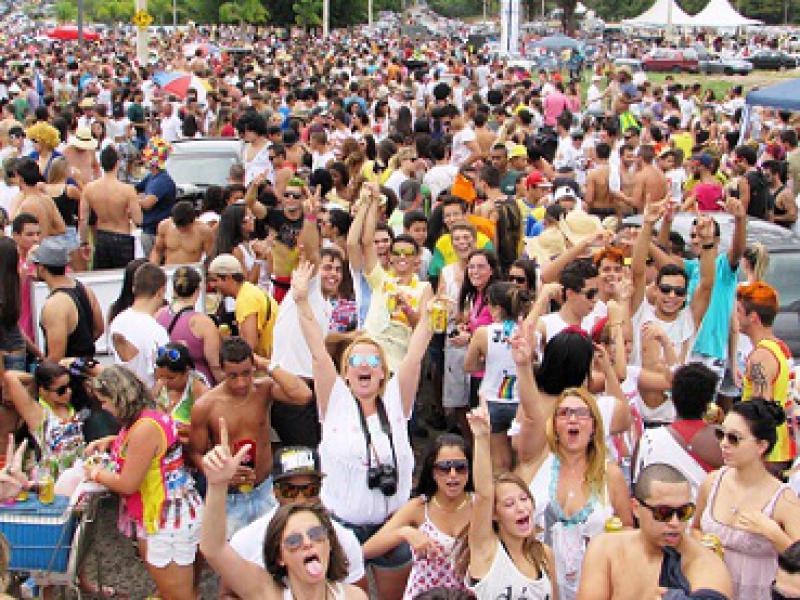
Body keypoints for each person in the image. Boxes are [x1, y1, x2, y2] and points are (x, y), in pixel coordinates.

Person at [293, 259, 433, 600]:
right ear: (346, 371)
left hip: (393, 526)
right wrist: (301, 300)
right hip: (343, 528)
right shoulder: (336, 400)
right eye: (357, 361)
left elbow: (415, 354)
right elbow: (318, 353)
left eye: (374, 361)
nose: (365, 367)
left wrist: (431, 311)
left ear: (383, 372)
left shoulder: (396, 399)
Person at [512, 328, 632, 600]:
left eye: (581, 414)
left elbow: (627, 529)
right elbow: (531, 416)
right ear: (552, 426)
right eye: (564, 414)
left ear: (595, 425)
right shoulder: (538, 458)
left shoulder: (610, 475)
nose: (573, 420)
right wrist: (523, 366)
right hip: (538, 587)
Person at [199, 419, 367, 599]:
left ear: (330, 544)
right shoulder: (267, 592)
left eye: (316, 534)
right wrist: (217, 484)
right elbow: (213, 549)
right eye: (293, 540)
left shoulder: (354, 596)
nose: (307, 543)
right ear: (280, 557)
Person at [83, 365, 202, 600]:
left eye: (104, 401)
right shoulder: (149, 414)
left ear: (118, 398)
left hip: (166, 517)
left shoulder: (144, 429)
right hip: (168, 511)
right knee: (173, 591)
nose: (103, 408)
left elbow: (128, 484)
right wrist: (111, 440)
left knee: (178, 595)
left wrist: (95, 473)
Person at [189, 336, 312, 536]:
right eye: (233, 376)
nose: (241, 383)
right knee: (231, 554)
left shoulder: (263, 390)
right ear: (222, 371)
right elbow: (195, 453)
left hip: (265, 489)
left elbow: (303, 395)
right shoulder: (206, 406)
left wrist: (267, 364)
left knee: (274, 549)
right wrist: (220, 472)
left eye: (246, 373)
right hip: (229, 497)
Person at [694, 398, 800, 600]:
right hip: (714, 588)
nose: (724, 444)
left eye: (734, 438)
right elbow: (695, 528)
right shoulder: (712, 482)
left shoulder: (784, 500)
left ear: (761, 446)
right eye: (721, 434)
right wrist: (705, 545)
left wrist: (773, 533)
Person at [578, 463, 732, 600]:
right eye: (663, 512)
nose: (675, 523)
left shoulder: (706, 563)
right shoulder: (606, 548)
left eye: (683, 512)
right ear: (636, 508)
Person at [362, 434, 473, 599]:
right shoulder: (419, 507)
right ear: (433, 472)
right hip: (424, 594)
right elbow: (367, 550)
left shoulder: (481, 506)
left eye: (460, 467)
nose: (452, 474)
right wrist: (404, 533)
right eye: (444, 468)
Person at [464, 406, 556, 599]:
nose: (521, 508)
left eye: (524, 499)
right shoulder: (486, 550)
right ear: (494, 514)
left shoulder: (544, 554)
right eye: (509, 504)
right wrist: (481, 437)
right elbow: (483, 495)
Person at [634, 363, 724, 499]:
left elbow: (636, 484)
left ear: (673, 396)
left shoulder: (649, 439)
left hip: (658, 510)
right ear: (709, 401)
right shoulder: (724, 441)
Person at [465, 281, 527, 472]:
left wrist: (487, 362)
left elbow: (469, 366)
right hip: (521, 401)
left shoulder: (483, 333)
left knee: (499, 464)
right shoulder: (527, 332)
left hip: (492, 399)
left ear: (497, 308)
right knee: (522, 460)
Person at [737, 282, 796, 473]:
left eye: (739, 311)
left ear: (753, 317)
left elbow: (760, 411)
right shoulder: (779, 346)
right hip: (783, 447)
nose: (735, 316)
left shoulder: (761, 357)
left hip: (768, 455)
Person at [33, 237, 103, 361]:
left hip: (68, 372)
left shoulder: (55, 305)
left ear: (41, 268)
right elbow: (99, 329)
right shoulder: (85, 289)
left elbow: (56, 357)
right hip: (88, 365)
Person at [155, 265, 222, 385]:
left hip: (168, 385)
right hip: (197, 386)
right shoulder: (203, 323)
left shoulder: (158, 315)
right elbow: (215, 365)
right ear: (197, 291)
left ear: (174, 289)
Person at [108, 262, 170, 390]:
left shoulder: (117, 322)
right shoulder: (157, 331)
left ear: (133, 288)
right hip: (147, 396)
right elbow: (163, 377)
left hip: (122, 394)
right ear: (161, 291)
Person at [81, 145, 142, 269]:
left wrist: (84, 242)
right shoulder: (127, 190)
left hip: (102, 236)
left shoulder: (89, 189)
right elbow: (138, 219)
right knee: (123, 275)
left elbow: (83, 219)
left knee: (103, 276)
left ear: (101, 163)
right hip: (122, 237)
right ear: (117, 163)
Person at [208, 254, 278, 359]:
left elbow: (248, 349)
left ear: (228, 278)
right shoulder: (249, 290)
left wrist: (226, 341)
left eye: (215, 280)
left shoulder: (245, 300)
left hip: (272, 361)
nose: (212, 285)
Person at [152, 342, 209, 445]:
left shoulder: (200, 392)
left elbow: (206, 434)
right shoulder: (159, 387)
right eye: (161, 377)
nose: (165, 382)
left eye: (170, 378)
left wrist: (188, 430)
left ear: (186, 370)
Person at [135, 137, 176, 258]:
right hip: (148, 230)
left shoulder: (162, 180)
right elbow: (134, 189)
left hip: (155, 233)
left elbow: (148, 203)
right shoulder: (151, 177)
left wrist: (134, 200)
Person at [150, 200, 214, 265]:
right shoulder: (164, 226)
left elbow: (210, 256)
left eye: (185, 228)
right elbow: (157, 251)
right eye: (178, 227)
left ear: (193, 221)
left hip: (192, 269)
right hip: (169, 267)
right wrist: (153, 266)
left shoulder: (204, 231)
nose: (181, 230)